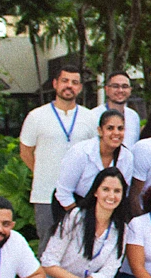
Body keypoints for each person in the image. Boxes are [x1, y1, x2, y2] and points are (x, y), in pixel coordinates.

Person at [20, 64, 97, 252]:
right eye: (65, 81)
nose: (69, 86)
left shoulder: (90, 117)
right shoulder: (36, 116)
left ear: (80, 88)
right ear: (55, 84)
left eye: (74, 82)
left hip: (80, 195)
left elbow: (95, 153)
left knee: (80, 246)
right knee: (47, 246)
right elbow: (25, 152)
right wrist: (43, 173)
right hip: (46, 194)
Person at [54, 109, 134, 213]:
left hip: (107, 209)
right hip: (72, 206)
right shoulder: (80, 152)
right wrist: (78, 218)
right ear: (100, 131)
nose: (116, 133)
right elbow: (64, 193)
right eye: (110, 128)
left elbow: (122, 193)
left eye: (120, 128)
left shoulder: (127, 157)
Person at [95, 71, 141, 148]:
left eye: (125, 86)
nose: (120, 90)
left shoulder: (134, 116)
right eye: (115, 86)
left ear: (130, 90)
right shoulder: (94, 115)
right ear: (106, 89)